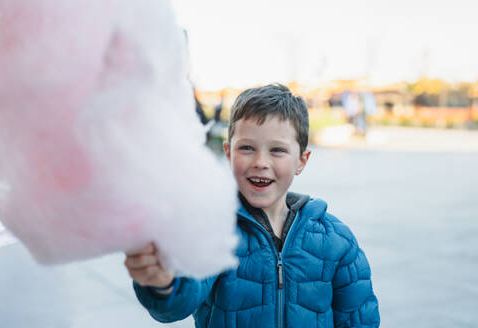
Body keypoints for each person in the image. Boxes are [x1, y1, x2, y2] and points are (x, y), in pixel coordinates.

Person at [124, 84, 380, 327]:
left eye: (277, 150)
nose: (260, 161)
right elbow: (178, 302)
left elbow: (359, 320)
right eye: (246, 148)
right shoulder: (212, 233)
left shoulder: (337, 240)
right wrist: (163, 283)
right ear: (228, 153)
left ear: (301, 160)